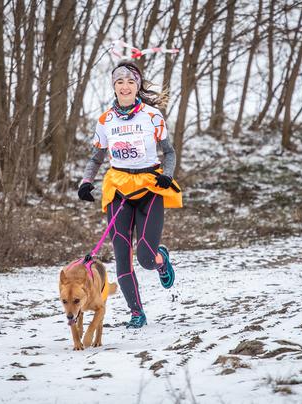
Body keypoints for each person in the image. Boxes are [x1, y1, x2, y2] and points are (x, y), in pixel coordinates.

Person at [77, 61, 182, 329]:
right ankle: (137, 312)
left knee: (145, 258)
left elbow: (169, 152)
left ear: (137, 86)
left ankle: (160, 259)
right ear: (114, 86)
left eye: (130, 82)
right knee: (122, 256)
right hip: (119, 188)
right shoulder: (105, 120)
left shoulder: (152, 116)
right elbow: (97, 156)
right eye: (119, 82)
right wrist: (86, 181)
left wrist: (167, 175)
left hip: (149, 186)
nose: (125, 87)